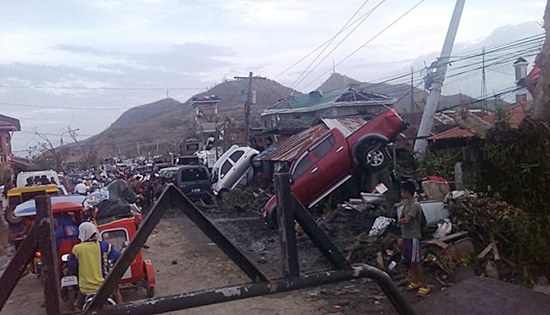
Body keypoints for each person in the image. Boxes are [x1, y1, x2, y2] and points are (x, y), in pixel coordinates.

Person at [68, 222, 123, 307]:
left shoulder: (77, 249)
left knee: (78, 307)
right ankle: (122, 309)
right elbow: (117, 258)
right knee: (116, 291)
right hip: (105, 286)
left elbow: (72, 266)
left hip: (86, 289)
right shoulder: (104, 245)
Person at [397, 181, 430, 297]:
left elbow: (406, 220)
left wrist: (400, 221)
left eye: (402, 191)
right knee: (411, 261)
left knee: (416, 261)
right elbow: (402, 219)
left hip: (413, 236)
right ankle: (416, 281)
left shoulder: (415, 205)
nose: (401, 193)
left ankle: (424, 285)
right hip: (406, 236)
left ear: (407, 192)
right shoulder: (406, 205)